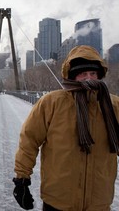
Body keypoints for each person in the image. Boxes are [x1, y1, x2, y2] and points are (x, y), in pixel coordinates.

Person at [13, 45, 119, 210]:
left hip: (99, 202)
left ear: (100, 75)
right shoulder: (51, 103)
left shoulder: (113, 105)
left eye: (93, 74)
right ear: (72, 76)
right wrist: (22, 179)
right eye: (83, 74)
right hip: (58, 201)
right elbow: (29, 140)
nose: (88, 78)